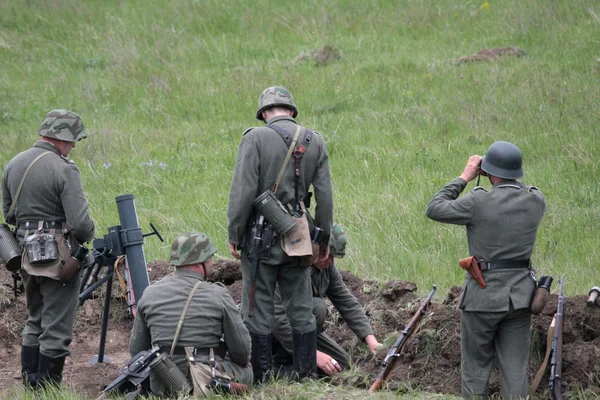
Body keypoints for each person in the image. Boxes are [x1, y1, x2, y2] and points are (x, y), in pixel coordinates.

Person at [227, 86, 334, 382]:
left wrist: (234, 233)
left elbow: (242, 192)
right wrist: (322, 240)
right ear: (292, 111)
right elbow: (325, 197)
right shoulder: (316, 141)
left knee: (256, 308)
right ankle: (306, 374)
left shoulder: (255, 138)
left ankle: (261, 377)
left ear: (264, 113)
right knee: (300, 307)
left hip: (259, 241)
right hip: (299, 238)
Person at [425, 141, 546, 399]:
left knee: (476, 368)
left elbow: (434, 208)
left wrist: (465, 177)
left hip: (482, 297)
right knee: (515, 371)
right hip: (520, 299)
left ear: (489, 171)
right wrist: (498, 173)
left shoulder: (478, 201)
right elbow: (517, 189)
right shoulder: (536, 200)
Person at [1, 109, 95, 387]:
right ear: (63, 138)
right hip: (59, 260)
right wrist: (86, 235)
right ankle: (49, 388)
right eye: (73, 140)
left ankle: (31, 384)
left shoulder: (13, 164)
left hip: (23, 254)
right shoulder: (64, 168)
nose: (74, 146)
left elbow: (9, 216)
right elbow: (81, 225)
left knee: (35, 318)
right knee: (57, 326)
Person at [129, 233, 253, 396]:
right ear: (199, 262)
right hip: (203, 377)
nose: (211, 262)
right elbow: (242, 352)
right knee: (247, 370)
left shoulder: (149, 293)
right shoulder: (217, 294)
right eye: (209, 258)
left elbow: (137, 350)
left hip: (163, 383)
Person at [271, 223, 381, 377]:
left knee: (342, 365)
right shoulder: (288, 266)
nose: (329, 260)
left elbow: (346, 302)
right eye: (325, 253)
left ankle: (299, 362)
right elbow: (276, 320)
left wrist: (371, 341)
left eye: (333, 256)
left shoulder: (326, 268)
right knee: (317, 308)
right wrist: (311, 354)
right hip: (269, 333)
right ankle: (279, 364)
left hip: (302, 332)